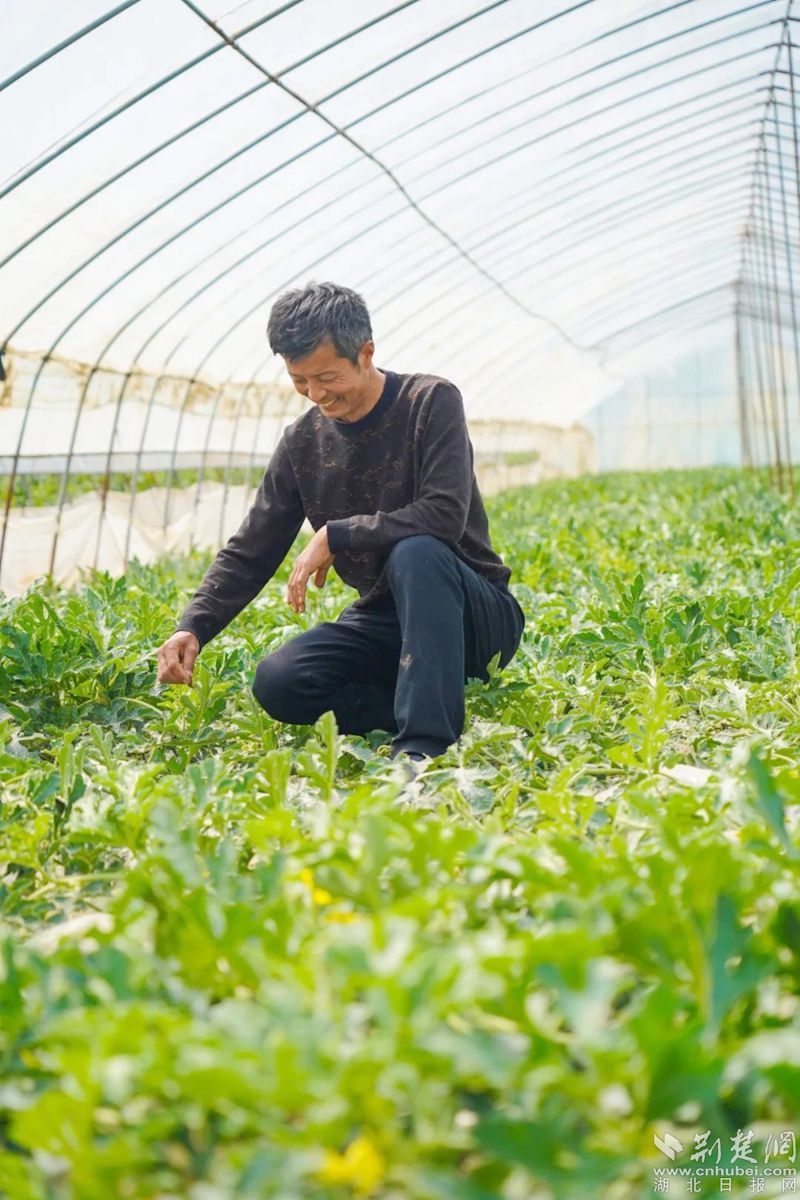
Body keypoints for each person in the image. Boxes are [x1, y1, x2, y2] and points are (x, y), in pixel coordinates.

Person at [156, 282, 525, 762]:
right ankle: (422, 699)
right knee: (279, 682)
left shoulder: (429, 401)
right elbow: (251, 549)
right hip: (388, 621)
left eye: (326, 377)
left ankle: (422, 746)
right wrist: (192, 627)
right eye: (299, 381)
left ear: (365, 352)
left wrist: (338, 533)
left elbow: (445, 514)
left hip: (473, 617)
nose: (316, 394)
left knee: (417, 551)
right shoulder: (301, 444)